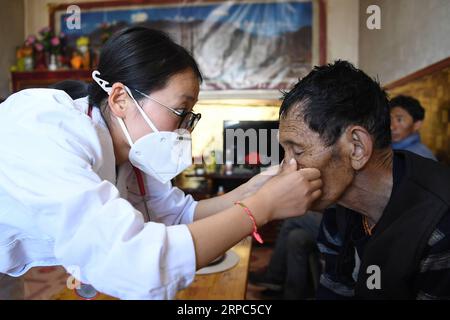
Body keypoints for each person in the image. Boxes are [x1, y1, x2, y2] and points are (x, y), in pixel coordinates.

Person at [0, 27, 323, 300]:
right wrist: (263, 207)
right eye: (180, 112)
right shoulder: (48, 130)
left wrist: (257, 186)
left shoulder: (129, 151)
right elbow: (131, 260)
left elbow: (180, 215)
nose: (184, 129)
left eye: (191, 116)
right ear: (120, 99)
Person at [278, 60, 450, 299]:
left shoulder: (440, 225)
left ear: (357, 148)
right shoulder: (338, 204)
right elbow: (334, 289)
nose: (286, 169)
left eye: (297, 152)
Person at [249, 212, 322, 299]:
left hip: (340, 232)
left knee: (294, 217)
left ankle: (274, 277)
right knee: (296, 237)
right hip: (333, 219)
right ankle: (292, 294)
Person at [390, 95, 436, 160]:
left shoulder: (421, 157)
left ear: (417, 125)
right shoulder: (387, 150)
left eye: (399, 120)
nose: (391, 127)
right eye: (389, 119)